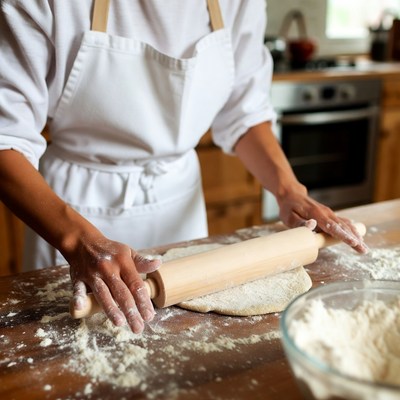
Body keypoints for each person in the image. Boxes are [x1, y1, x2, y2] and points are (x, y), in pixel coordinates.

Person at [0, 0, 367, 334]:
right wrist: (77, 241)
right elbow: (5, 137)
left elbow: (245, 112)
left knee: (186, 334)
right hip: (74, 215)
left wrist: (289, 190)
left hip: (180, 207)